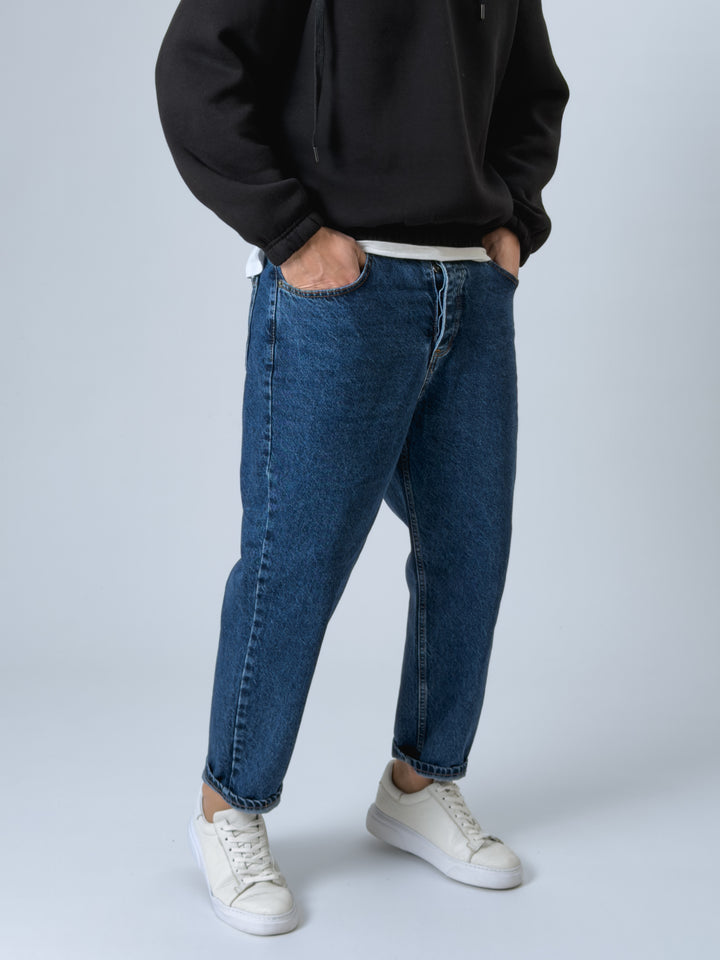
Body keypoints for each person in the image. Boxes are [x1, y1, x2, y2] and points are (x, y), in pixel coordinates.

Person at [155, 0, 569, 937]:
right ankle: (229, 807)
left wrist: (515, 221)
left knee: (470, 549)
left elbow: (534, 90)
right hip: (343, 288)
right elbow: (196, 70)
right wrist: (291, 232)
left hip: (470, 285)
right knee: (296, 556)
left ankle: (420, 785)